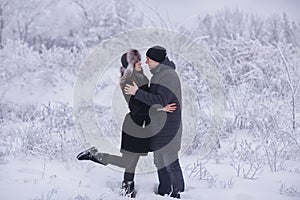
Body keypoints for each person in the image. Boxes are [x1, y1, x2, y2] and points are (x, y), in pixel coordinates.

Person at [76, 49, 176, 198]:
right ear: (130, 65)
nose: (140, 63)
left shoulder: (139, 77)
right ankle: (124, 187)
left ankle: (127, 189)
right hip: (135, 125)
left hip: (141, 125)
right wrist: (161, 108)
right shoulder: (130, 82)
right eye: (137, 62)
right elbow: (138, 108)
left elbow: (147, 99)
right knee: (129, 162)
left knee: (130, 161)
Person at [124, 46, 185, 199]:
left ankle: (177, 193)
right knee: (159, 161)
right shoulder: (158, 75)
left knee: (170, 161)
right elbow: (156, 102)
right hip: (159, 126)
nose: (146, 62)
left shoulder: (168, 76)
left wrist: (137, 92)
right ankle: (164, 192)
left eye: (149, 59)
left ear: (157, 60)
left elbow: (160, 100)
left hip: (169, 127)